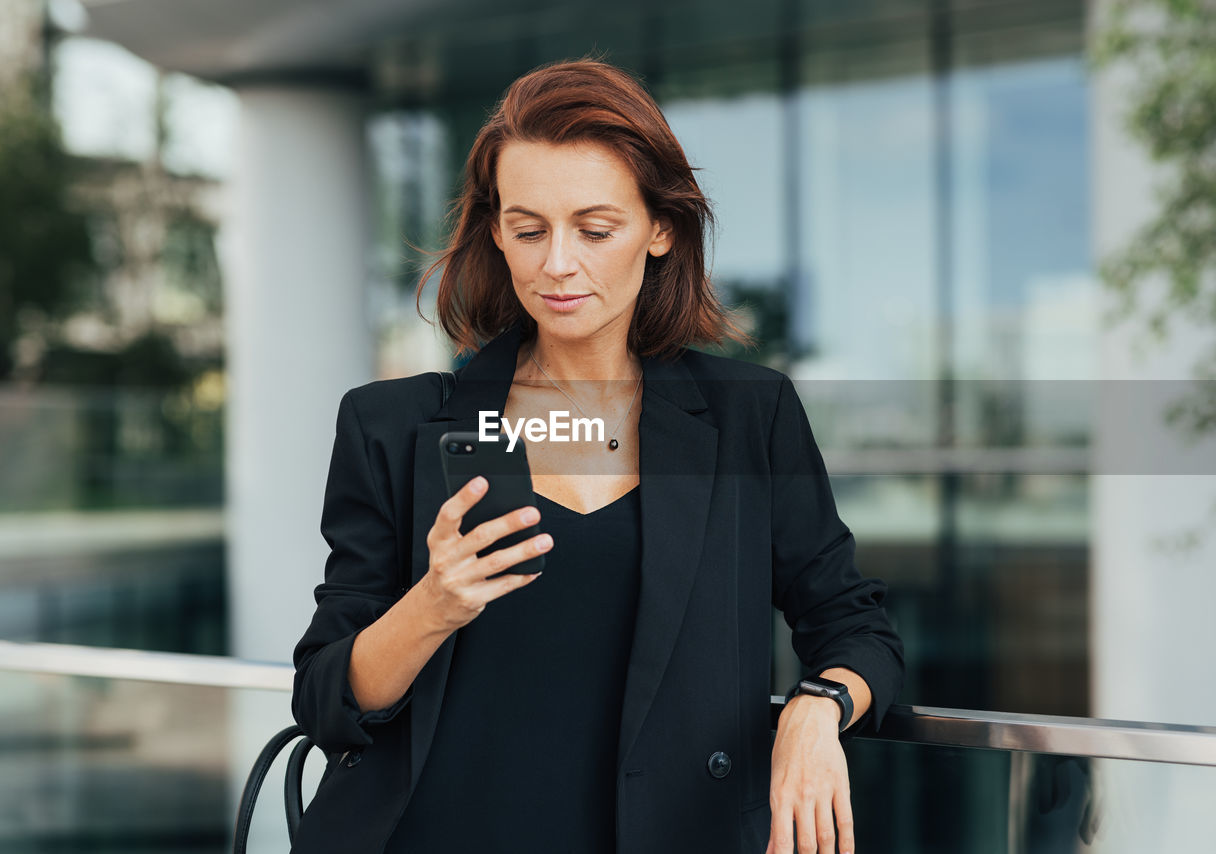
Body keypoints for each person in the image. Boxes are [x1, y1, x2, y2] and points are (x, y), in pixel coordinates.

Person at [289, 55, 904, 854]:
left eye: (595, 228)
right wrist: (434, 603)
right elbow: (326, 696)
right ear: (497, 234)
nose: (557, 264)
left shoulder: (749, 417)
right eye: (528, 228)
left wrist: (818, 708)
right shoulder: (393, 425)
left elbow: (853, 624)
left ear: (660, 230)